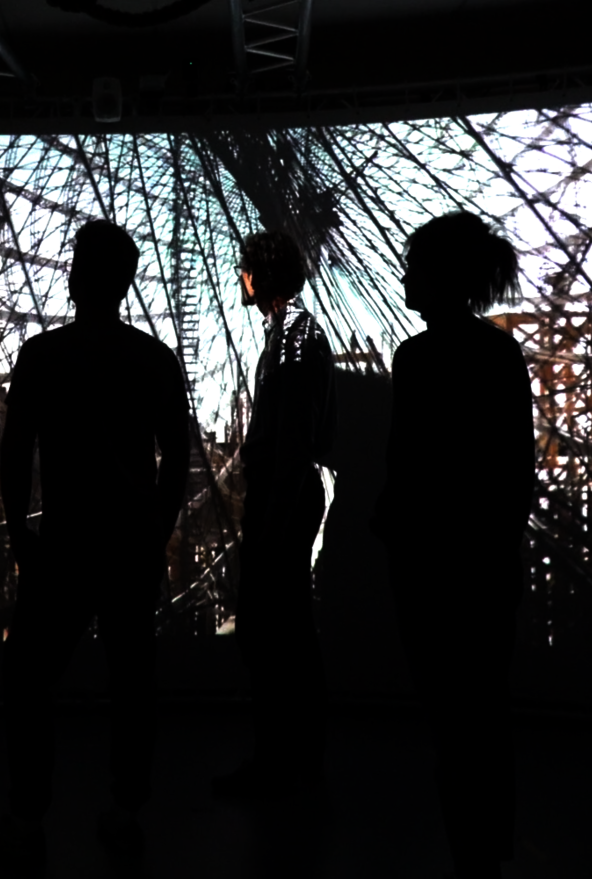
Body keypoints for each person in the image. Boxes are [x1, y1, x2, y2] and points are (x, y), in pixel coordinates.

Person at [0, 220, 190, 875]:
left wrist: (17, 532)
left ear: (75, 274)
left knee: (27, 677)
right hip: (129, 544)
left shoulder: (43, 354)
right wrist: (158, 528)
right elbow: (175, 456)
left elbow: (15, 453)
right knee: (132, 680)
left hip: (63, 544)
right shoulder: (153, 359)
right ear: (125, 281)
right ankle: (126, 810)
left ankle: (27, 817)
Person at [371, 212, 535, 879]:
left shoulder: (418, 358)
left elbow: (409, 464)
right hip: (485, 561)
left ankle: (470, 847)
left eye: (415, 267)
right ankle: (486, 846)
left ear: (440, 277)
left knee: (448, 715)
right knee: (484, 709)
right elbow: (515, 468)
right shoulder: (499, 353)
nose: (405, 277)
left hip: (430, 562)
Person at [213, 228, 337, 800]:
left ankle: (286, 762)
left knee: (270, 631)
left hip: (282, 492)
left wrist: (272, 515)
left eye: (246, 269)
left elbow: (292, 432)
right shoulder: (290, 333)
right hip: (284, 489)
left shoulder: (292, 336)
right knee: (279, 630)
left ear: (260, 276)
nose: (241, 278)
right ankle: (293, 759)